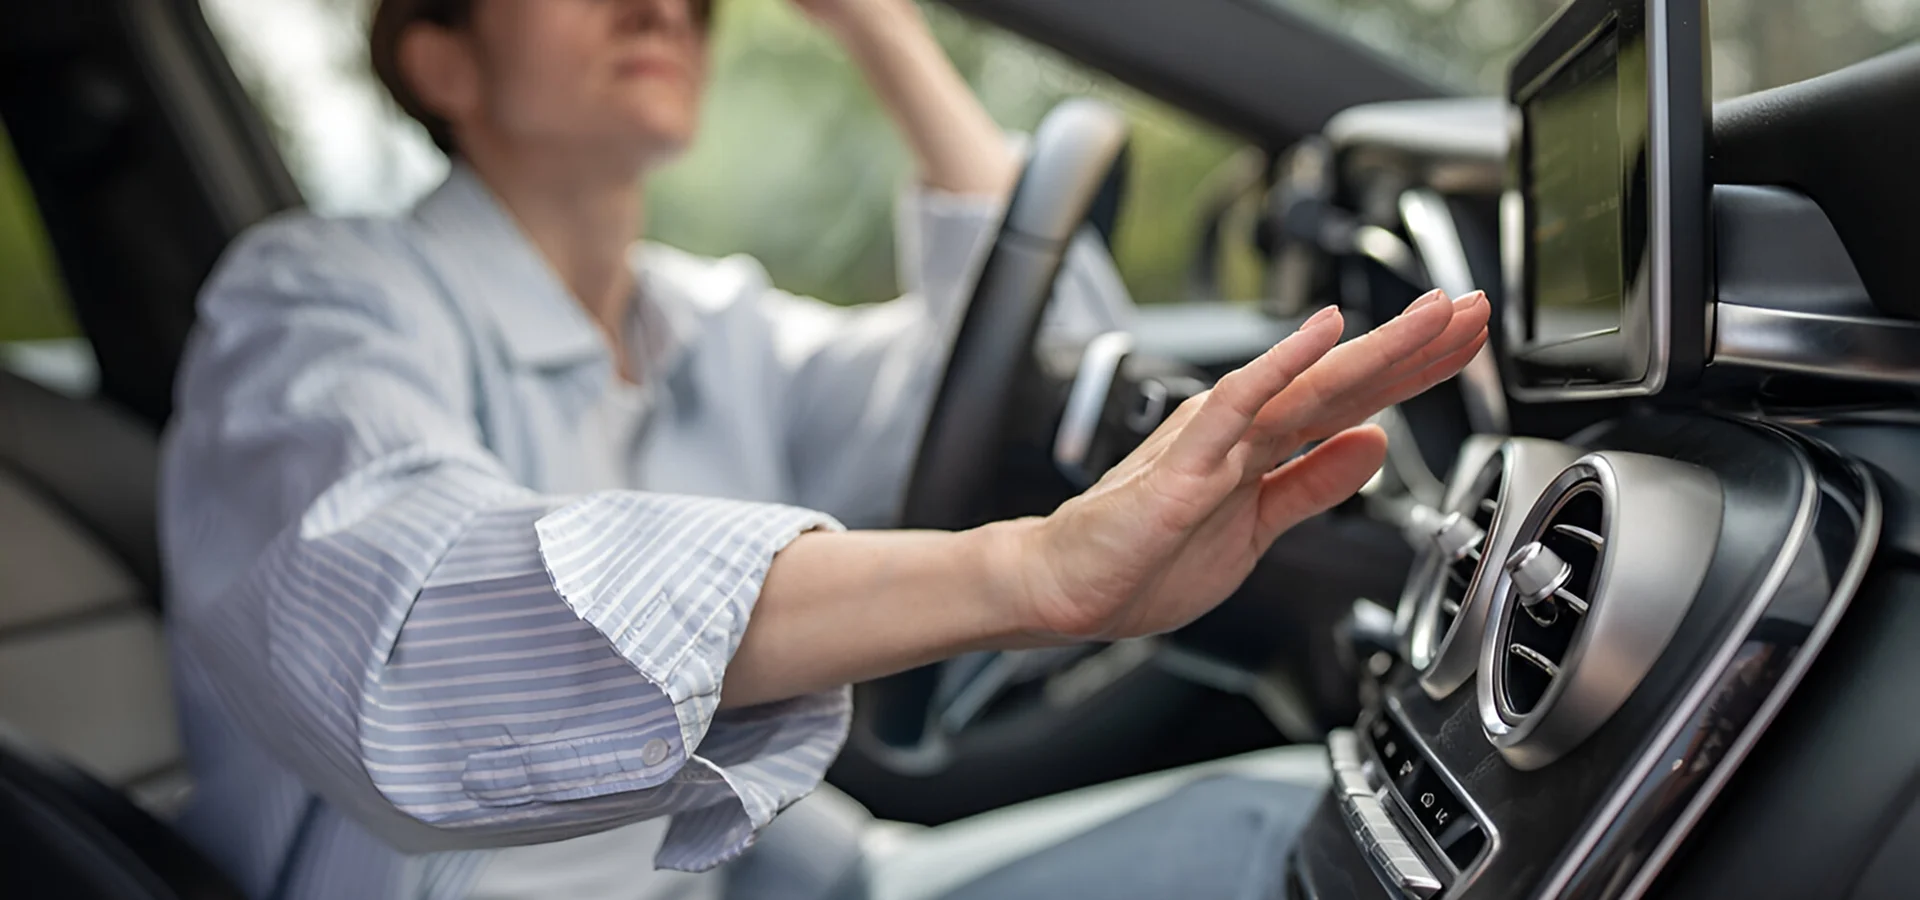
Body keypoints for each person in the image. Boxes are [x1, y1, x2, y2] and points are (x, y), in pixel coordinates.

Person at [158, 0, 1491, 897]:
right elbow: (413, 635)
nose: (661, 8)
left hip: (773, 876)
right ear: (438, 60)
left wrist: (884, 30)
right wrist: (1019, 577)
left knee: (1311, 831)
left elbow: (1054, 387)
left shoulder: (714, 322)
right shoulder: (314, 299)